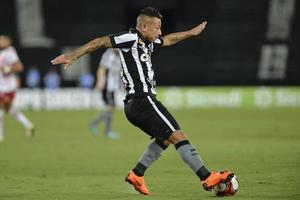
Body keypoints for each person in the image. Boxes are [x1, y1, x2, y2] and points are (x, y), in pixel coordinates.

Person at [51, 7, 233, 195]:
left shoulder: (149, 43)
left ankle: (137, 174)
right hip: (142, 99)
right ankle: (207, 177)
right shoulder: (130, 38)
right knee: (179, 136)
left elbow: (169, 39)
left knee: (165, 139)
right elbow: (100, 42)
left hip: (134, 105)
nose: (160, 32)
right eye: (156, 28)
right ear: (144, 27)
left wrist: (191, 33)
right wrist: (72, 56)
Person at [0, 35, 35, 142]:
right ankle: (28, 125)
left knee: (1, 109)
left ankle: (0, 136)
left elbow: (19, 67)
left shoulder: (10, 52)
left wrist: (6, 69)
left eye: (2, 40)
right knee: (8, 109)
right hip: (3, 85)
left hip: (7, 87)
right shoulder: (3, 53)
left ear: (8, 42)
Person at [89, 48, 121, 139]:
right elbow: (102, 68)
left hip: (113, 86)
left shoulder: (119, 55)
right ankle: (99, 127)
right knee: (111, 107)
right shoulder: (109, 54)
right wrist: (100, 82)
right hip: (107, 85)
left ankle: (99, 126)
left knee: (111, 107)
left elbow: (118, 70)